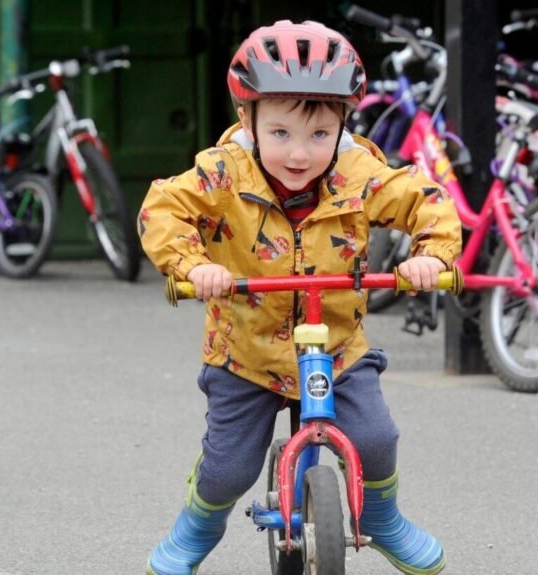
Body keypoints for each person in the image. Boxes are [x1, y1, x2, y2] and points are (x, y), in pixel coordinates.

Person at [138, 19, 461, 575]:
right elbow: (163, 210)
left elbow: (424, 199)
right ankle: (198, 526)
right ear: (248, 120)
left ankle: (381, 517)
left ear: (342, 125)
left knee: (377, 439)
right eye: (281, 133)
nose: (299, 153)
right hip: (247, 352)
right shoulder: (221, 174)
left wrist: (430, 254)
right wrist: (195, 265)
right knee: (229, 468)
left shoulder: (360, 170)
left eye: (318, 135)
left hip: (336, 345)